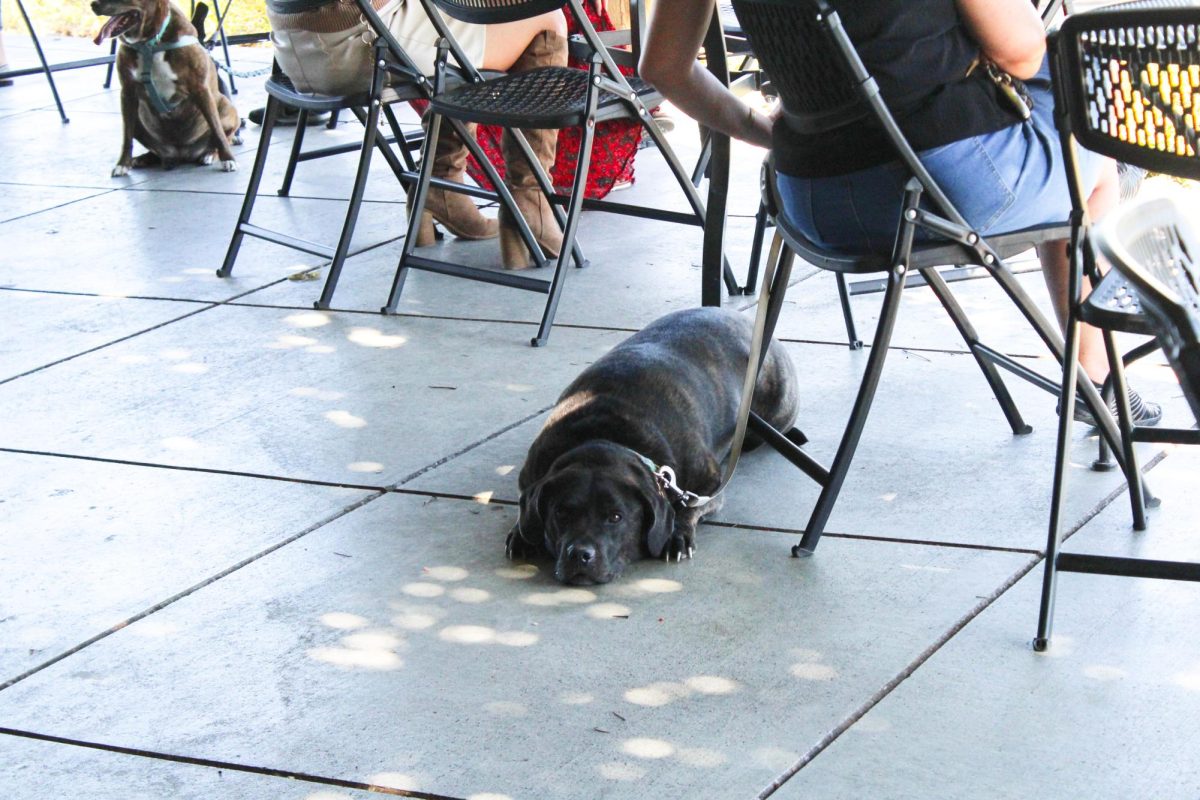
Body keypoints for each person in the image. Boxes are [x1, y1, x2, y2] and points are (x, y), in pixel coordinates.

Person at [639, 0, 1160, 426]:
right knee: (1088, 149)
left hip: (810, 201)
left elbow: (663, 67)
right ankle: (1097, 383)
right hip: (935, 187)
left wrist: (764, 130)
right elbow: (1021, 52)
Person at [265, 0, 569, 268]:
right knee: (546, 18)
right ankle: (530, 199)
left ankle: (439, 185)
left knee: (461, 28)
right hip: (353, 45)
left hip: (296, 48)